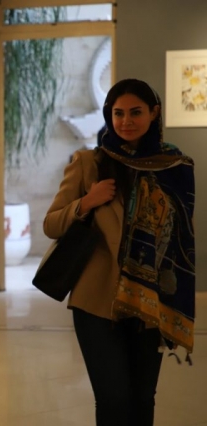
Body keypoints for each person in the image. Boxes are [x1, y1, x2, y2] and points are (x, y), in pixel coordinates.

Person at [43, 78, 195, 426]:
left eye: (135, 113)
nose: (126, 121)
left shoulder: (174, 167)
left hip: (151, 302)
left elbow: (180, 239)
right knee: (113, 399)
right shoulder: (89, 162)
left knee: (143, 398)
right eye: (118, 113)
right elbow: (51, 224)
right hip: (98, 302)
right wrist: (86, 202)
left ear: (154, 113)